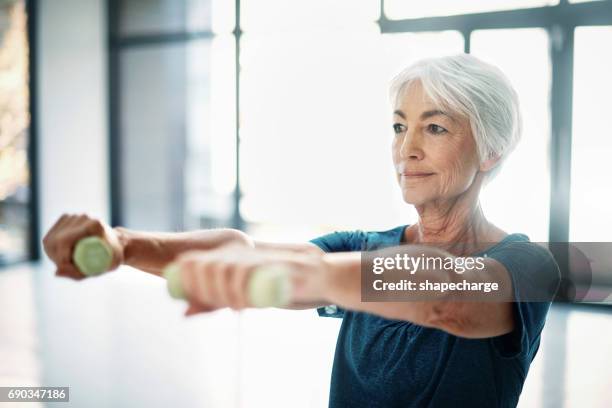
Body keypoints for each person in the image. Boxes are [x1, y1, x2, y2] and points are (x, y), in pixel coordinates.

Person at [43, 54, 560, 407]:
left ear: (491, 149)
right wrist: (126, 244)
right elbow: (244, 250)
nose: (407, 150)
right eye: (400, 126)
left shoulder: (528, 265)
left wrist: (310, 273)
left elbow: (449, 301)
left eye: (435, 127)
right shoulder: (363, 247)